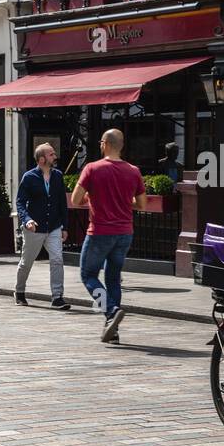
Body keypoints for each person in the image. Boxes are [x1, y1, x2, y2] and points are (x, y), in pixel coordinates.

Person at [71, 129, 145, 343]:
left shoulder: (92, 168)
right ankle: (113, 332)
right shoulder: (133, 171)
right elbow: (140, 204)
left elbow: (76, 200)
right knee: (113, 278)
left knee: (88, 275)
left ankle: (111, 311)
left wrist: (90, 198)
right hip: (124, 233)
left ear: (105, 144)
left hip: (100, 232)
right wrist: (123, 201)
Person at [14, 143, 70, 309]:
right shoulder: (29, 177)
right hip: (34, 228)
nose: (55, 156)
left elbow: (62, 203)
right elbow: (20, 202)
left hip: (53, 226)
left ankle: (57, 297)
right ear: (41, 159)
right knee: (26, 262)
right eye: (51, 154)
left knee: (57, 260)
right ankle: (20, 291)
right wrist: (27, 220)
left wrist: (64, 226)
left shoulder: (58, 176)